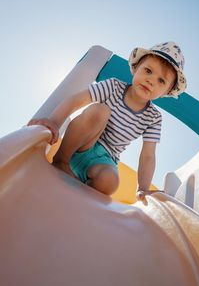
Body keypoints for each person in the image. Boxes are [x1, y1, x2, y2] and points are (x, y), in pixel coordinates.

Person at [28, 41, 187, 201]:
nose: (151, 80)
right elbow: (76, 100)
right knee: (100, 111)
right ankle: (61, 161)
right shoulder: (114, 86)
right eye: (148, 70)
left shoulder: (154, 117)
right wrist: (54, 122)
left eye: (161, 81)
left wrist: (143, 188)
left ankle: (81, 194)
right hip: (81, 144)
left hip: (105, 160)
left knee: (111, 182)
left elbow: (148, 155)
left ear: (166, 92)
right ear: (136, 68)